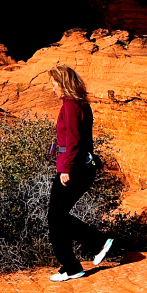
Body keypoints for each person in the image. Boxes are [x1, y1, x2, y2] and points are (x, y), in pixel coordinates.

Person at [46, 65, 114, 281]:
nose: (52, 89)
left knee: (55, 218)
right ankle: (72, 265)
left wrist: (65, 169)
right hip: (79, 165)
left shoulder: (71, 106)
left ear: (63, 83)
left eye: (54, 84)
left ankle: (95, 245)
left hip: (73, 168)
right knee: (58, 217)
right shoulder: (80, 104)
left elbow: (74, 141)